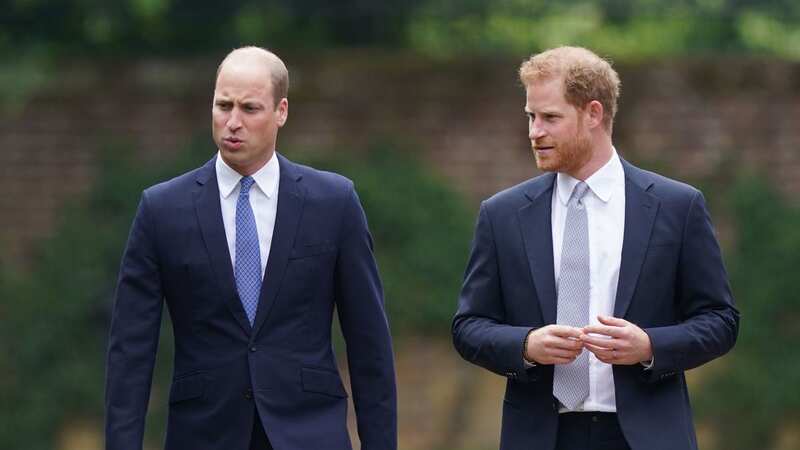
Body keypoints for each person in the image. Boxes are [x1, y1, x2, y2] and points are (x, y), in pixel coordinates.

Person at [105, 46, 397, 450]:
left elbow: (370, 345)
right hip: (203, 433)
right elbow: (130, 352)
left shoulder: (334, 202)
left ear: (281, 111)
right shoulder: (162, 210)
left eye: (250, 108)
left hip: (309, 431)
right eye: (223, 106)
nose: (233, 122)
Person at [452, 46, 739, 450]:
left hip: (647, 436)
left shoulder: (678, 206)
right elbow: (468, 327)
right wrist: (526, 345)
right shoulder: (502, 214)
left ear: (593, 113)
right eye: (531, 117)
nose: (535, 131)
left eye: (550, 117)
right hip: (540, 437)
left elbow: (721, 321)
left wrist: (650, 346)